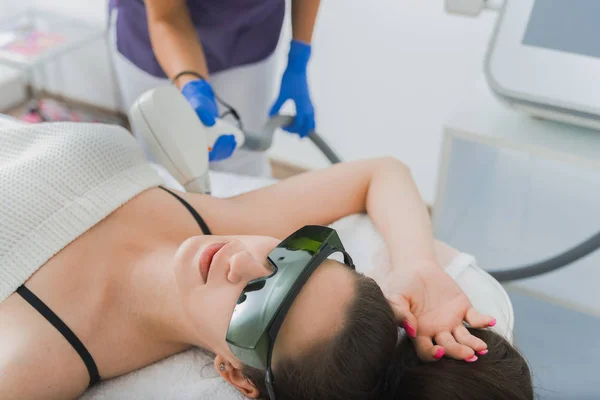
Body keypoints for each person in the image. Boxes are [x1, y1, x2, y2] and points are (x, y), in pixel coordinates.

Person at [0, 122, 532, 400]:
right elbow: (380, 173)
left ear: (237, 376)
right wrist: (417, 265)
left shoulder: (34, 362)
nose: (243, 263)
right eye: (293, 255)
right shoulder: (210, 221)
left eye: (253, 309)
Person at [108, 0, 319, 177]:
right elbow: (167, 17)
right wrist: (193, 86)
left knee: (242, 166)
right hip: (154, 35)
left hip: (249, 33)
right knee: (169, 168)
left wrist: (299, 58)